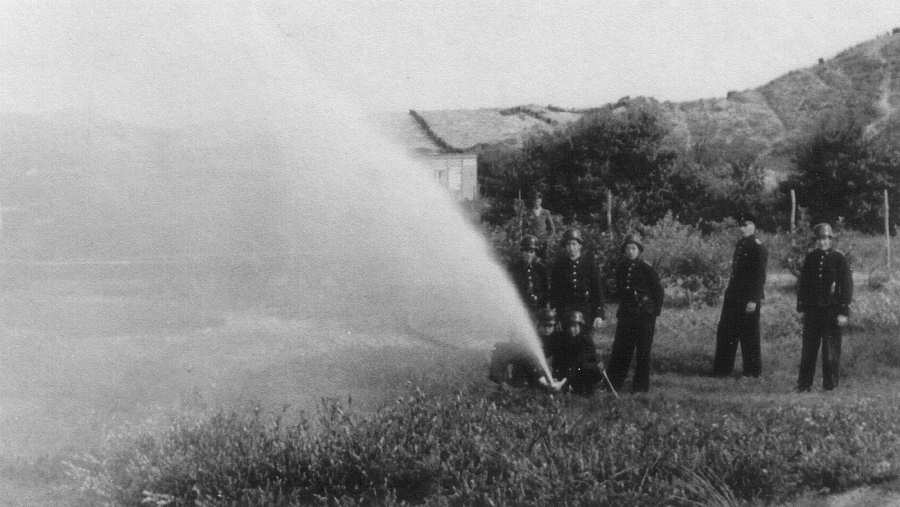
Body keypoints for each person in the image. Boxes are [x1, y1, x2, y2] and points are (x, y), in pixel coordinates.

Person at [796, 223, 853, 392]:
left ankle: (830, 385)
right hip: (813, 310)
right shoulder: (811, 258)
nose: (823, 242)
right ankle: (804, 384)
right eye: (820, 239)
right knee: (808, 349)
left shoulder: (839, 258)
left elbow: (846, 286)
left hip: (832, 311)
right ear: (816, 241)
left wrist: (843, 311)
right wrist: (802, 306)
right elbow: (803, 284)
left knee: (831, 350)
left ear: (831, 239)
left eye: (826, 238)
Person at [605, 234, 664, 393]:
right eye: (628, 248)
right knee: (621, 349)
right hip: (626, 314)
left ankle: (640, 387)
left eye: (633, 248)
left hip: (644, 315)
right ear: (624, 250)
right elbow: (620, 290)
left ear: (639, 250)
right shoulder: (621, 268)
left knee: (643, 352)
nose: (630, 251)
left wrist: (654, 311)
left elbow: (658, 291)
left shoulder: (646, 268)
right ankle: (613, 383)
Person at [713, 213, 768, 378]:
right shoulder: (740, 244)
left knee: (749, 334)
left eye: (747, 225)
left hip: (748, 297)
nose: (743, 228)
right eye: (741, 225)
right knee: (726, 331)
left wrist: (754, 299)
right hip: (733, 295)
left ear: (754, 226)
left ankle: (752, 372)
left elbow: (760, 276)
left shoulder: (758, 247)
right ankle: (722, 370)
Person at [549, 228, 606, 330]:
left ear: (580, 245)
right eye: (568, 244)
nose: (571, 248)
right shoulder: (559, 266)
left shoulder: (590, 265)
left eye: (574, 244)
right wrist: (556, 315)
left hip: (586, 309)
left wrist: (599, 314)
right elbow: (555, 293)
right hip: (565, 309)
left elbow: (597, 291)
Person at [546, 310, 602, 394]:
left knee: (585, 367)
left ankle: (585, 389)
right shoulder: (561, 338)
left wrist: (561, 383)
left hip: (580, 370)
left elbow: (577, 363)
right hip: (567, 371)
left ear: (581, 326)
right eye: (569, 326)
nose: (572, 329)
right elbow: (556, 357)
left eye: (575, 326)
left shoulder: (586, 341)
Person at [510, 235, 549, 319]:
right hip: (520, 309)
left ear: (535, 253)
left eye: (531, 252)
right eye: (526, 251)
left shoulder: (541, 269)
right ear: (522, 252)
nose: (528, 254)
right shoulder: (515, 269)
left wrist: (538, 297)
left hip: (539, 308)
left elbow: (545, 290)